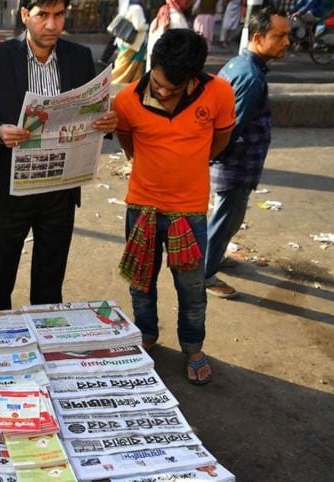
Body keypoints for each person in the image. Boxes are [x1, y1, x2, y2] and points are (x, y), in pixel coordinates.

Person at [0, 0, 118, 311]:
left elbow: (92, 111)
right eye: (42, 15)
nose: (52, 25)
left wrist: (105, 123)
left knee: (50, 280)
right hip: (10, 188)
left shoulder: (78, 57)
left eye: (59, 15)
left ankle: (46, 331)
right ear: (25, 15)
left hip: (60, 190)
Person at [113, 29, 235, 385]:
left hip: (189, 212)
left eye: (173, 88)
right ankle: (147, 335)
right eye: (158, 84)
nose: (163, 92)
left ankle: (193, 348)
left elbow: (221, 138)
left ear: (193, 79)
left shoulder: (219, 92)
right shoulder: (127, 99)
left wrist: (192, 163)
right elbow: (126, 139)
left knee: (192, 290)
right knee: (141, 284)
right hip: (142, 208)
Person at [205, 7, 291, 298]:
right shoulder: (251, 77)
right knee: (225, 220)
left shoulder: (238, 64)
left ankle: (213, 258)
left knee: (229, 217)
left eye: (287, 36)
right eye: (279, 36)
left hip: (235, 163)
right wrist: (212, 157)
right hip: (234, 165)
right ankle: (204, 273)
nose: (286, 42)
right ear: (257, 37)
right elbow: (230, 128)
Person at [147, 0, 192, 71]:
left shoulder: (157, 19)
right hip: (170, 72)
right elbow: (184, 50)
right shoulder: (178, 19)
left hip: (155, 71)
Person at [112, 0, 148, 84]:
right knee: (128, 69)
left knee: (121, 65)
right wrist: (148, 26)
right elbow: (139, 26)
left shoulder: (126, 7)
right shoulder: (137, 8)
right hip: (135, 43)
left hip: (125, 41)